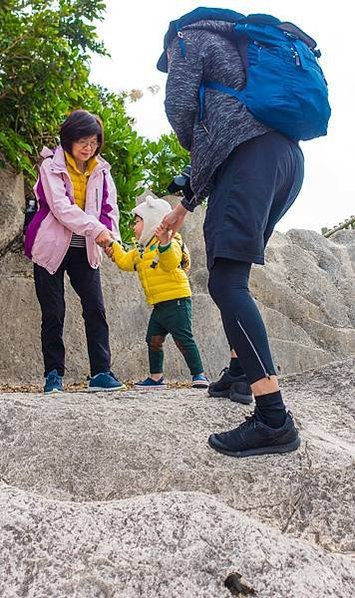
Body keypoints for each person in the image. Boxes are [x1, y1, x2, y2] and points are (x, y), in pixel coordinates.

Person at [157, 9, 304, 457]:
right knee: (234, 271)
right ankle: (240, 373)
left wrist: (193, 146)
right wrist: (187, 201)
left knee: (225, 280)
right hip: (285, 162)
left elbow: (181, 106)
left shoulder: (188, 39)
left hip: (249, 159)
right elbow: (228, 135)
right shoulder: (243, 48)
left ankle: (272, 417)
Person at [24, 109, 126, 393]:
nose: (88, 147)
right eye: (83, 140)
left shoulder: (101, 170)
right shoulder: (50, 167)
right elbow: (61, 208)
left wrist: (111, 239)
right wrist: (98, 231)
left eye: (94, 142)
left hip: (86, 250)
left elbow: (109, 210)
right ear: (69, 138)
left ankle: (101, 373)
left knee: (95, 308)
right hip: (50, 249)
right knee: (54, 312)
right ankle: (53, 374)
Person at [105, 195, 209, 389]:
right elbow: (126, 262)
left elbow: (170, 264)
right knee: (153, 339)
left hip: (177, 299)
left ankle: (199, 375)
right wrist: (113, 245)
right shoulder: (142, 250)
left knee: (183, 338)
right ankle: (156, 377)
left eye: (137, 222)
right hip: (159, 304)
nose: (133, 227)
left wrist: (164, 244)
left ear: (152, 221)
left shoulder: (173, 240)